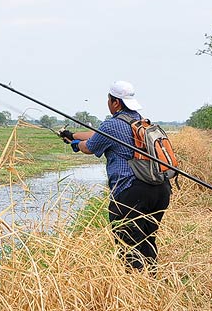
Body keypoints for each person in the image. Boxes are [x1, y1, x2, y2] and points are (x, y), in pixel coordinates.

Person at [59, 80, 171, 272]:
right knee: (147, 238)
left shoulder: (112, 125)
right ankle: (151, 283)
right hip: (159, 190)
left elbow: (89, 146)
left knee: (128, 244)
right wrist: (72, 134)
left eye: (109, 100)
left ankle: (134, 289)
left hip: (131, 192)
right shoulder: (141, 121)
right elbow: (96, 134)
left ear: (116, 102)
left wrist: (75, 144)